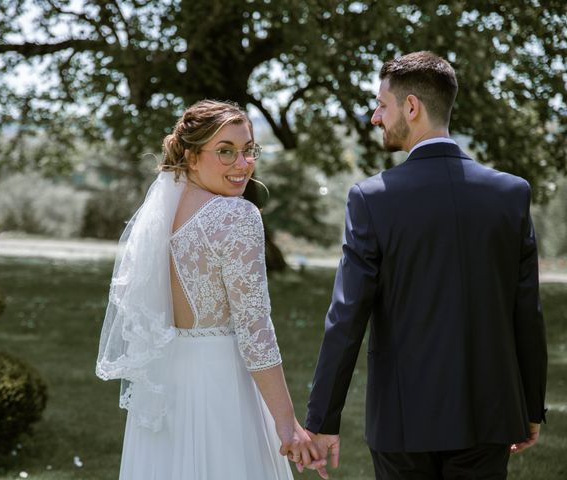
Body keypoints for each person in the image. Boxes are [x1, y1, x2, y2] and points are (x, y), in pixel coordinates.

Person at [302, 51, 547, 479]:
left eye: (382, 105)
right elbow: (527, 311)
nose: (376, 117)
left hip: (403, 420)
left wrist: (323, 421)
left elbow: (346, 316)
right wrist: (530, 406)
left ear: (411, 107)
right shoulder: (511, 194)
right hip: (490, 415)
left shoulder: (372, 198)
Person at [96, 99, 321, 480]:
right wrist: (287, 424)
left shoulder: (163, 213)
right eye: (226, 151)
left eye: (248, 150)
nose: (243, 164)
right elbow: (255, 329)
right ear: (191, 156)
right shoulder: (237, 215)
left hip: (168, 387)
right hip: (223, 384)